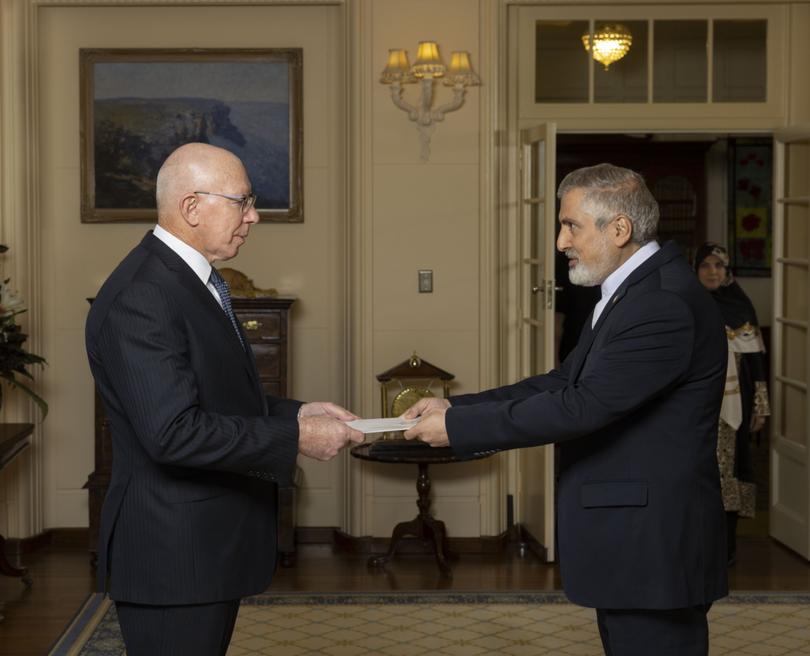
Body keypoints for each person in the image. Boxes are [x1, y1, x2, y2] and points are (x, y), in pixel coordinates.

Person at [404, 163, 728, 656]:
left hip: (653, 541)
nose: (560, 242)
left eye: (570, 225)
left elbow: (583, 406)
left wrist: (458, 428)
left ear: (619, 229)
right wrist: (456, 407)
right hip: (636, 538)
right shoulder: (635, 292)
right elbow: (563, 382)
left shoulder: (661, 303)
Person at [85, 142, 364, 656]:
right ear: (192, 207)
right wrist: (296, 436)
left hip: (199, 548)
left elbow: (215, 397)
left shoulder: (188, 279)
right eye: (243, 201)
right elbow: (173, 433)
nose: (254, 216)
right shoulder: (143, 295)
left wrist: (299, 411)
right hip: (172, 554)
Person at [695, 242, 770, 566]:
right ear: (695, 270)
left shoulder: (740, 307)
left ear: (727, 272)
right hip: (697, 407)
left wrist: (761, 406)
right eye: (706, 266)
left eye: (718, 266)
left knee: (733, 472)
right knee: (696, 473)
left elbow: (756, 364)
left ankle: (726, 548)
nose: (712, 272)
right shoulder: (686, 303)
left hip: (737, 405)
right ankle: (696, 546)